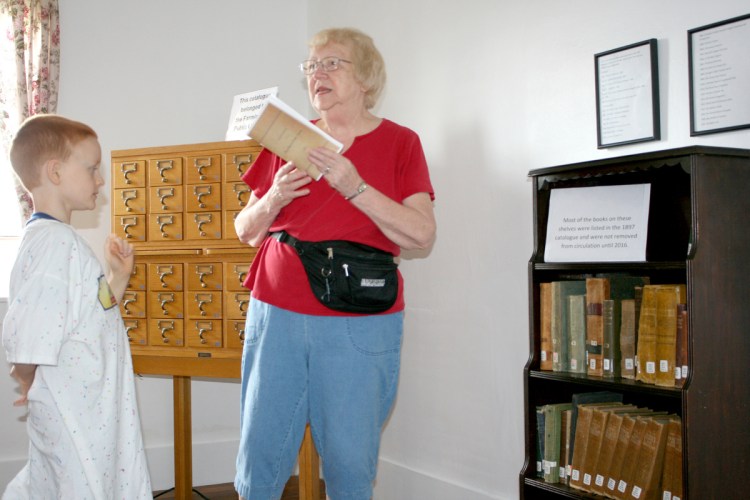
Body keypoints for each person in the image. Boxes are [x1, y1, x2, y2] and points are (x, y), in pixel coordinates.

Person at [233, 27, 436, 500]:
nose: (316, 74)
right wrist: (273, 198)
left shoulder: (401, 142)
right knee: (260, 453)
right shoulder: (287, 139)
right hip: (275, 313)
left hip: (358, 323)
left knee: (349, 460)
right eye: (311, 66)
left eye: (331, 63)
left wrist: (355, 187)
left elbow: (421, 234)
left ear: (365, 77)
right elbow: (244, 230)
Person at [1, 114, 152, 499]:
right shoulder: (56, 246)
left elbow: (89, 318)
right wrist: (27, 377)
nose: (100, 180)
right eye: (92, 168)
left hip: (89, 416)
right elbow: (28, 335)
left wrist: (117, 278)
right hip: (75, 419)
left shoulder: (61, 242)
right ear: (55, 171)